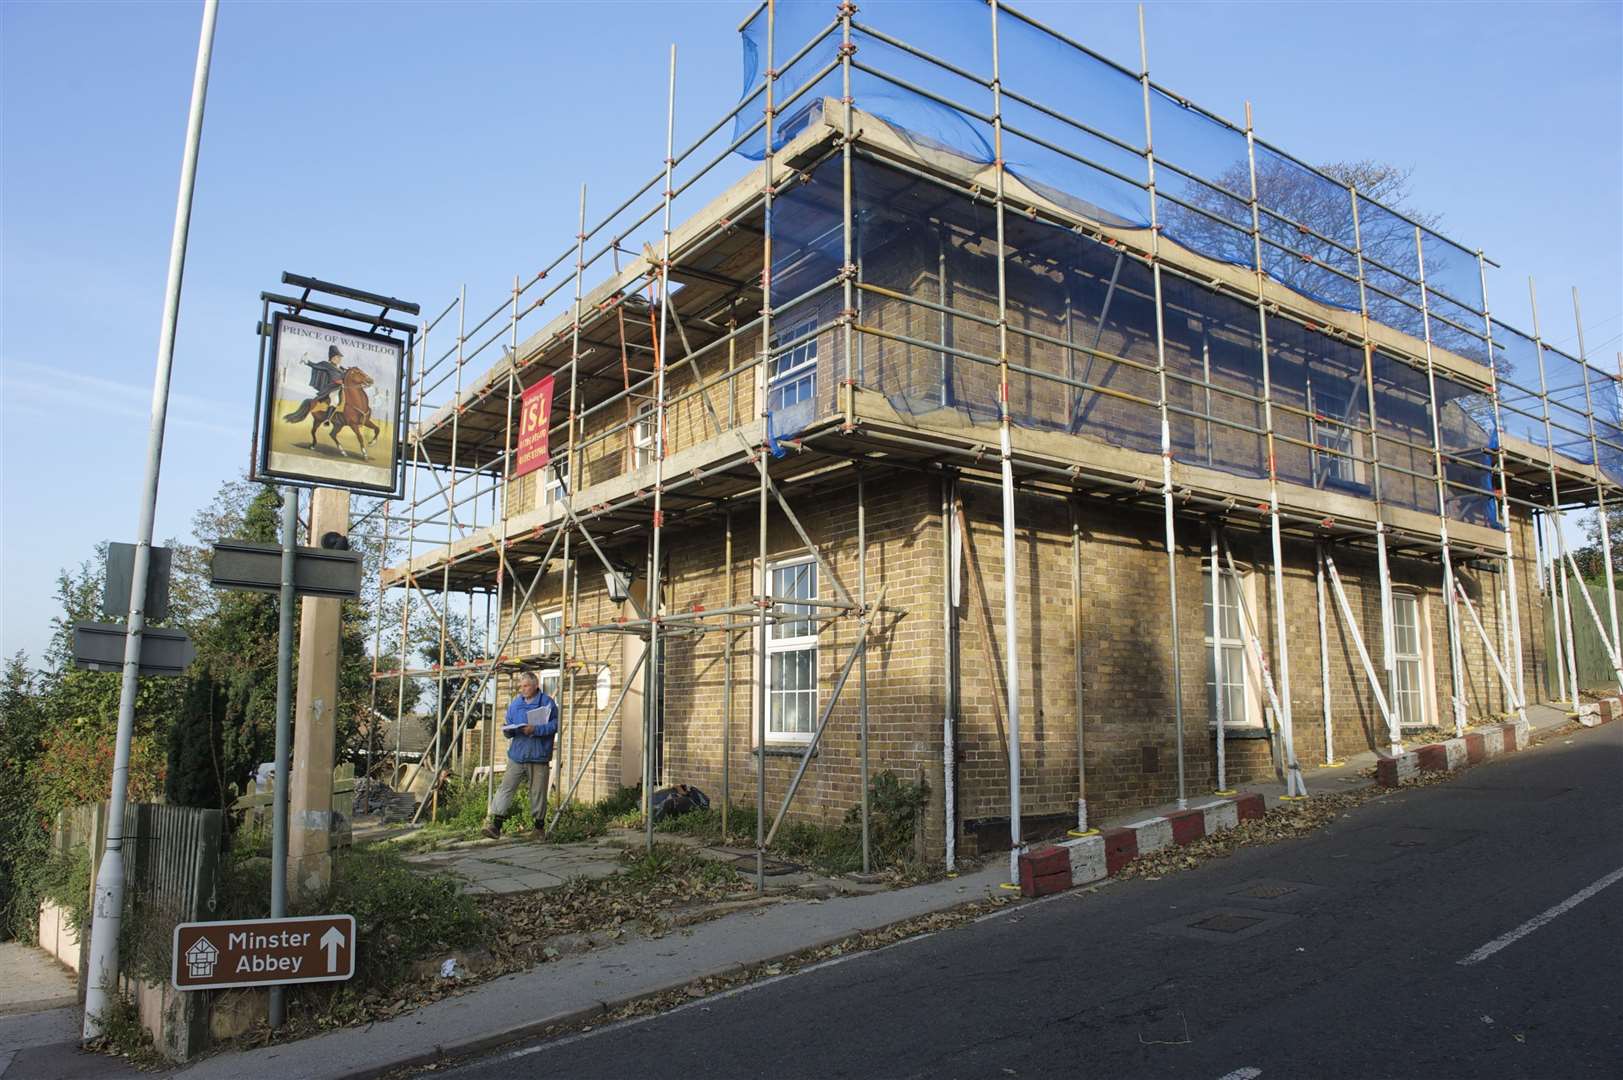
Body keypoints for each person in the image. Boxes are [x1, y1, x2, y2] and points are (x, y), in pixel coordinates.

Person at [482, 671, 559, 838]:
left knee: (537, 792)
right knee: (506, 788)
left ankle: (538, 828)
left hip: (538, 756)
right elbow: (509, 725)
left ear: (536, 685)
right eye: (521, 686)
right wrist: (508, 731)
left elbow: (555, 726)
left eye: (526, 686)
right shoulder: (515, 704)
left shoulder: (547, 703)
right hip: (517, 755)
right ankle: (495, 826)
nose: (522, 689)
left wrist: (536, 729)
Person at [283, 345, 348, 423]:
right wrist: (307, 361)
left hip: (341, 388)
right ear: (333, 357)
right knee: (335, 400)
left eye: (340, 357)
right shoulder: (326, 365)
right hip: (332, 388)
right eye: (338, 357)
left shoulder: (341, 368)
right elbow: (316, 366)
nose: (340, 359)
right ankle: (327, 419)